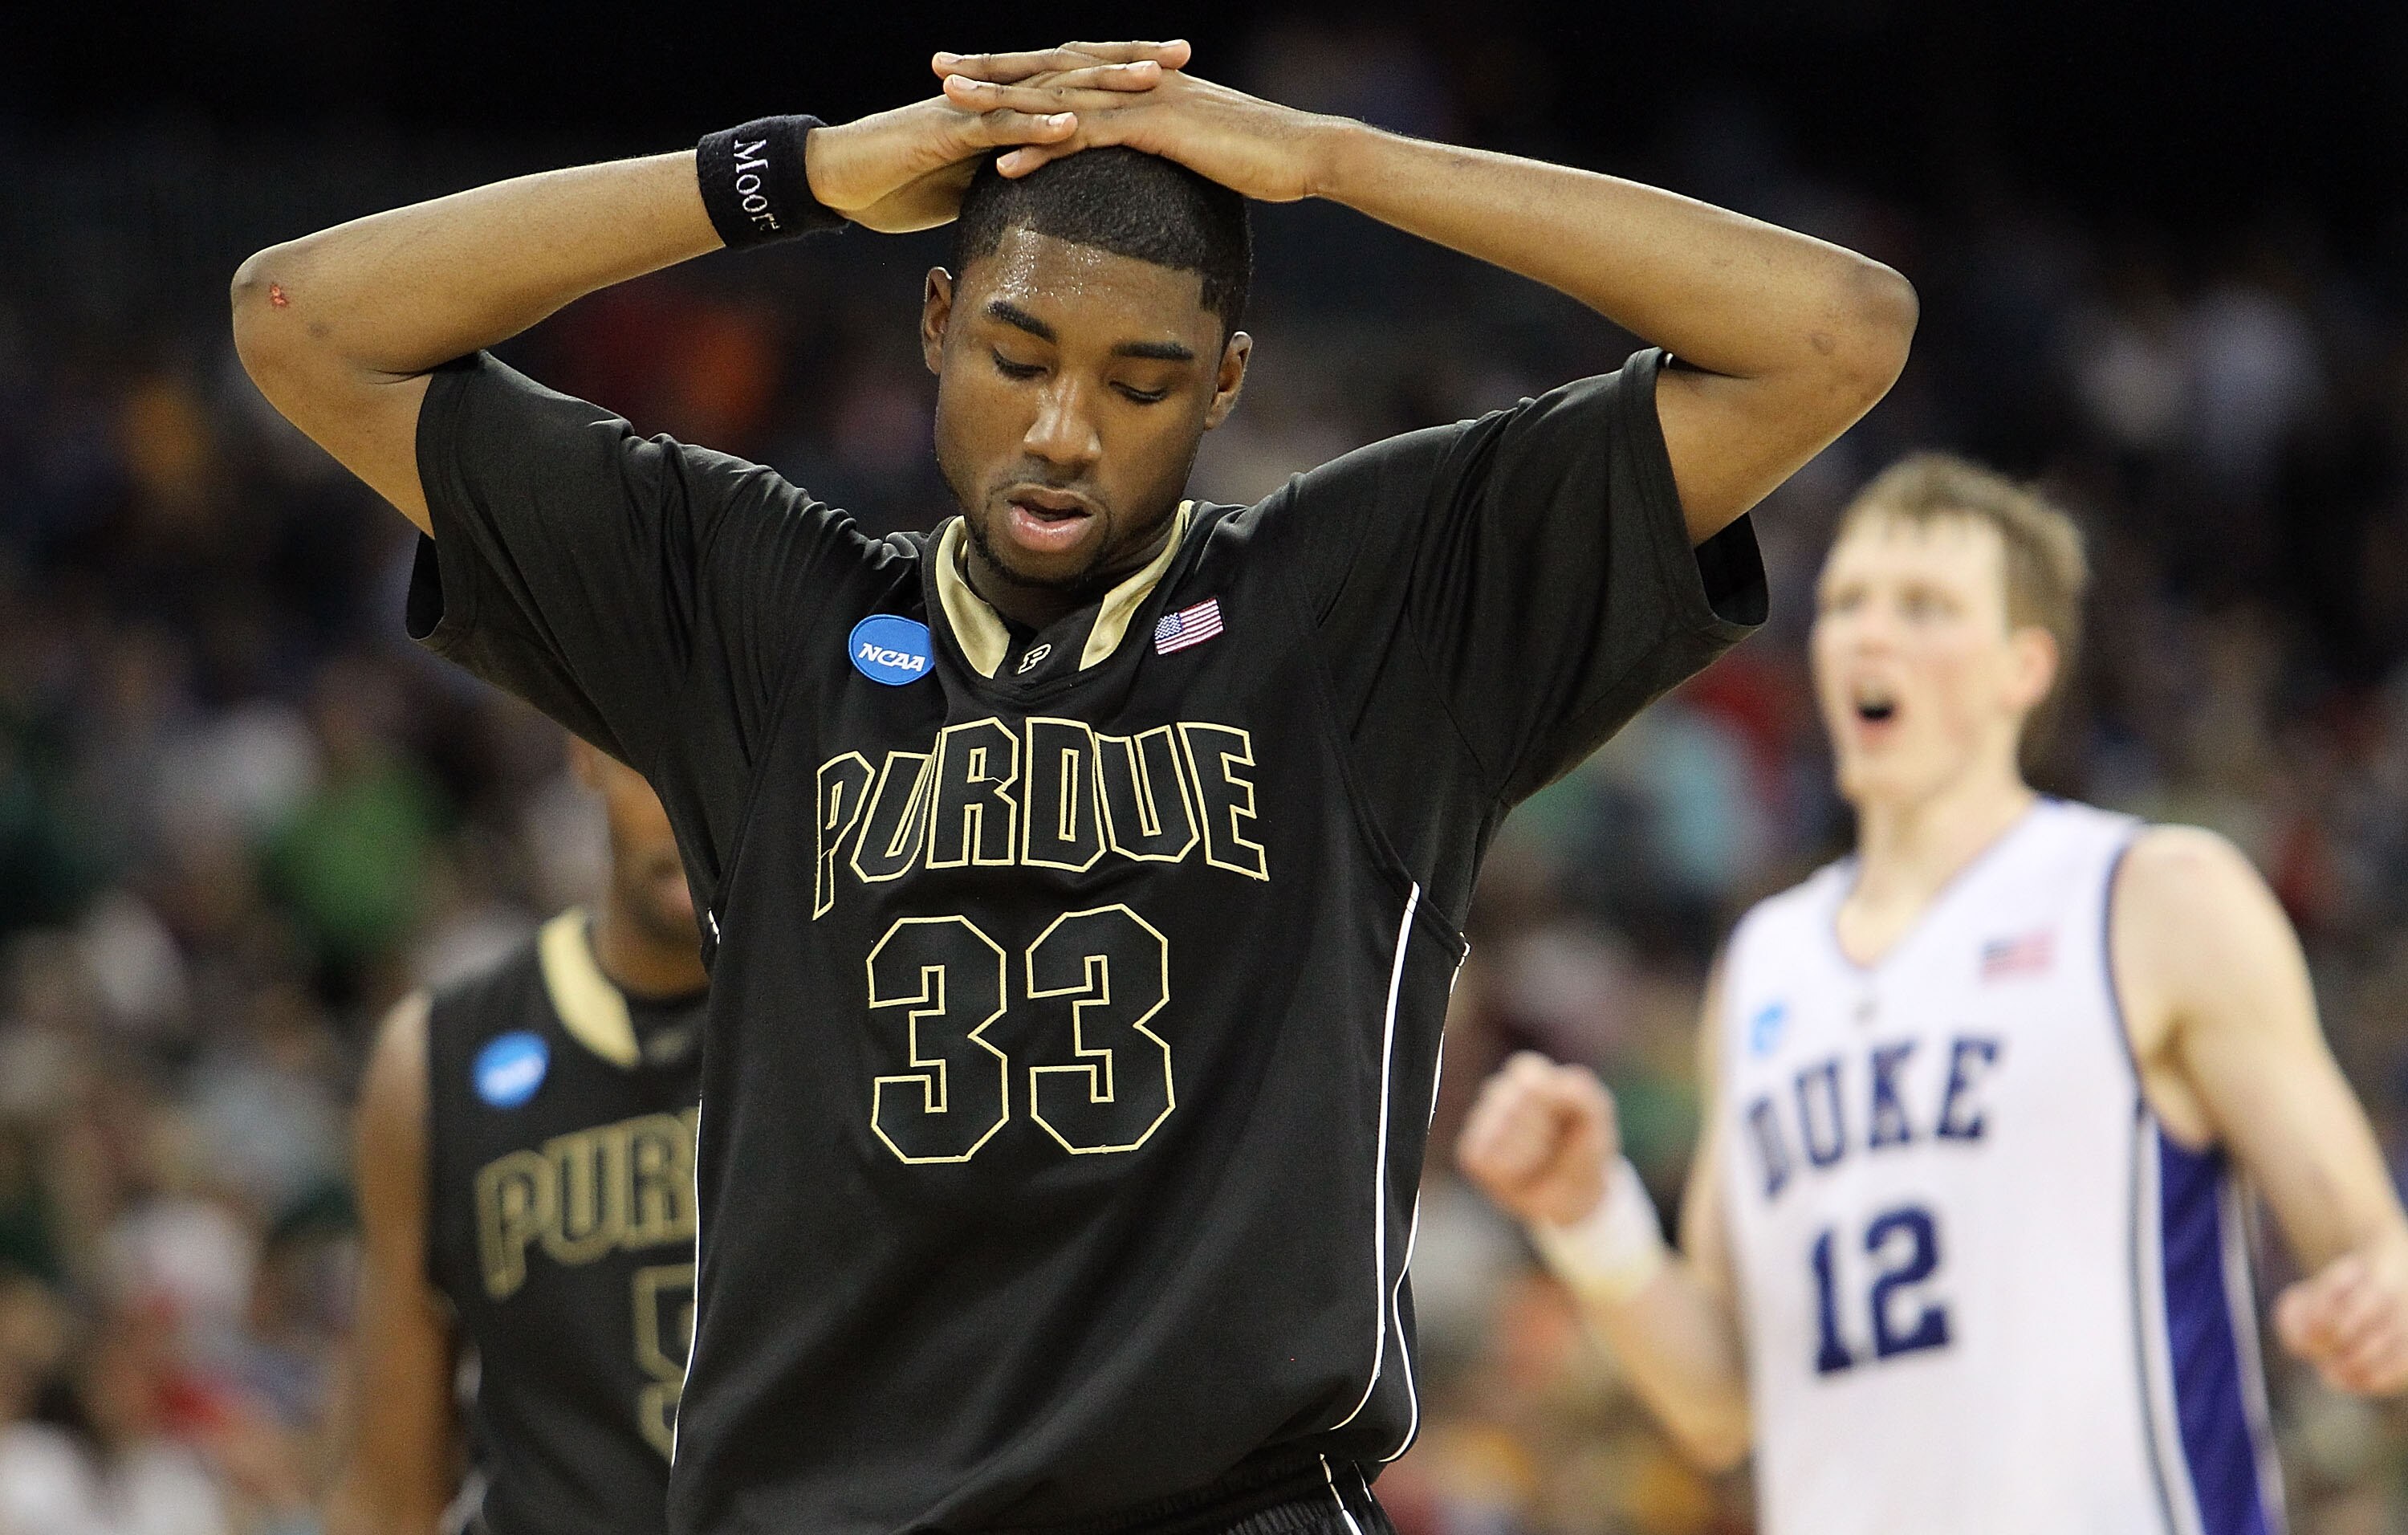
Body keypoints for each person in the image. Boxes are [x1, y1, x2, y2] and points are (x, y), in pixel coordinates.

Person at [231, 37, 1915, 1534]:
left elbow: (1835, 330)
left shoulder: (1360, 613)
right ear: (937, 316)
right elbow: (303, 320)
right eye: (1020, 354)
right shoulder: (761, 617)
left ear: (1231, 381)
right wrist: (797, 173)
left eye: (1142, 382)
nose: (1061, 431)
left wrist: (1333, 159)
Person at [1458, 454, 2408, 1535]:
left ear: (2024, 668)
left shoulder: (2154, 897)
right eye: (1851, 602)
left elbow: (2367, 1239)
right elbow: (1722, 1406)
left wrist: (2382, 1293)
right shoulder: (1767, 960)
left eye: (1926, 606)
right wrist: (1590, 1216)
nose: (1871, 634)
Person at [328, 738, 707, 1535]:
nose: (691, 806)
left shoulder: (859, 1018)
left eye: (724, 761)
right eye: (658, 760)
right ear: (584, 749)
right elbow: (388, 1493)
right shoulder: (434, 1059)